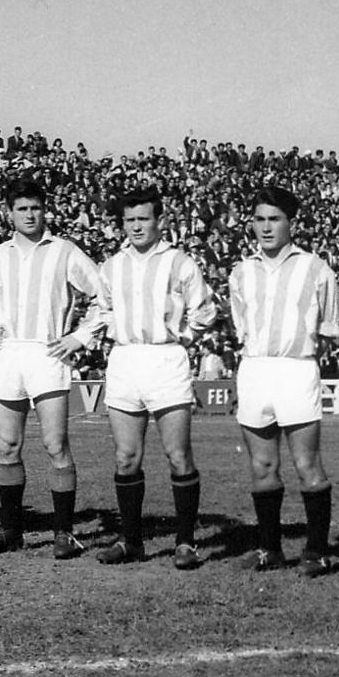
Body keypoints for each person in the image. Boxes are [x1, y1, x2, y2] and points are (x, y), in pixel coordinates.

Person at [0, 177, 102, 556]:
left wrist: (79, 337)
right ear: (9, 213)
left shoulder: (65, 251)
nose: (29, 214)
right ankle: (11, 531)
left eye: (35, 208)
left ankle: (64, 533)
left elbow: (102, 295)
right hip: (8, 355)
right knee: (7, 445)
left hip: (48, 354)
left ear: (45, 210)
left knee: (55, 444)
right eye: (22, 208)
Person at [93, 187, 217, 569]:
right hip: (126, 359)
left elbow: (204, 311)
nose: (135, 226)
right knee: (126, 456)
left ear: (159, 221)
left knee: (177, 455)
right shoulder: (112, 265)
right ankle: (132, 542)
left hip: (166, 359)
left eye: (143, 219)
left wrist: (182, 337)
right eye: (129, 220)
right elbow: (103, 310)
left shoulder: (180, 262)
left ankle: (185, 542)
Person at [229, 186, 339, 576]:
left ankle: (316, 550)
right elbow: (242, 326)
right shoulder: (240, 271)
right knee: (262, 465)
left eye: (274, 218)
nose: (266, 227)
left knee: (307, 463)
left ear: (291, 222)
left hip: (296, 368)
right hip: (256, 368)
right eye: (259, 219)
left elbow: (328, 330)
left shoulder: (317, 268)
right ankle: (269, 548)